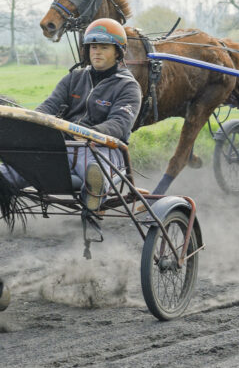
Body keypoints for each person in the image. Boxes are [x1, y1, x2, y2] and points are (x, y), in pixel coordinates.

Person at [8, 18, 142, 247]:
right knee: (10, 168)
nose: (96, 52)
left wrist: (90, 133)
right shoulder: (74, 78)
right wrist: (33, 121)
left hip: (102, 149)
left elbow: (120, 124)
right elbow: (48, 106)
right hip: (62, 148)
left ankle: (94, 197)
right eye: (93, 47)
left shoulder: (128, 86)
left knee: (93, 168)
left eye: (104, 47)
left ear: (118, 52)